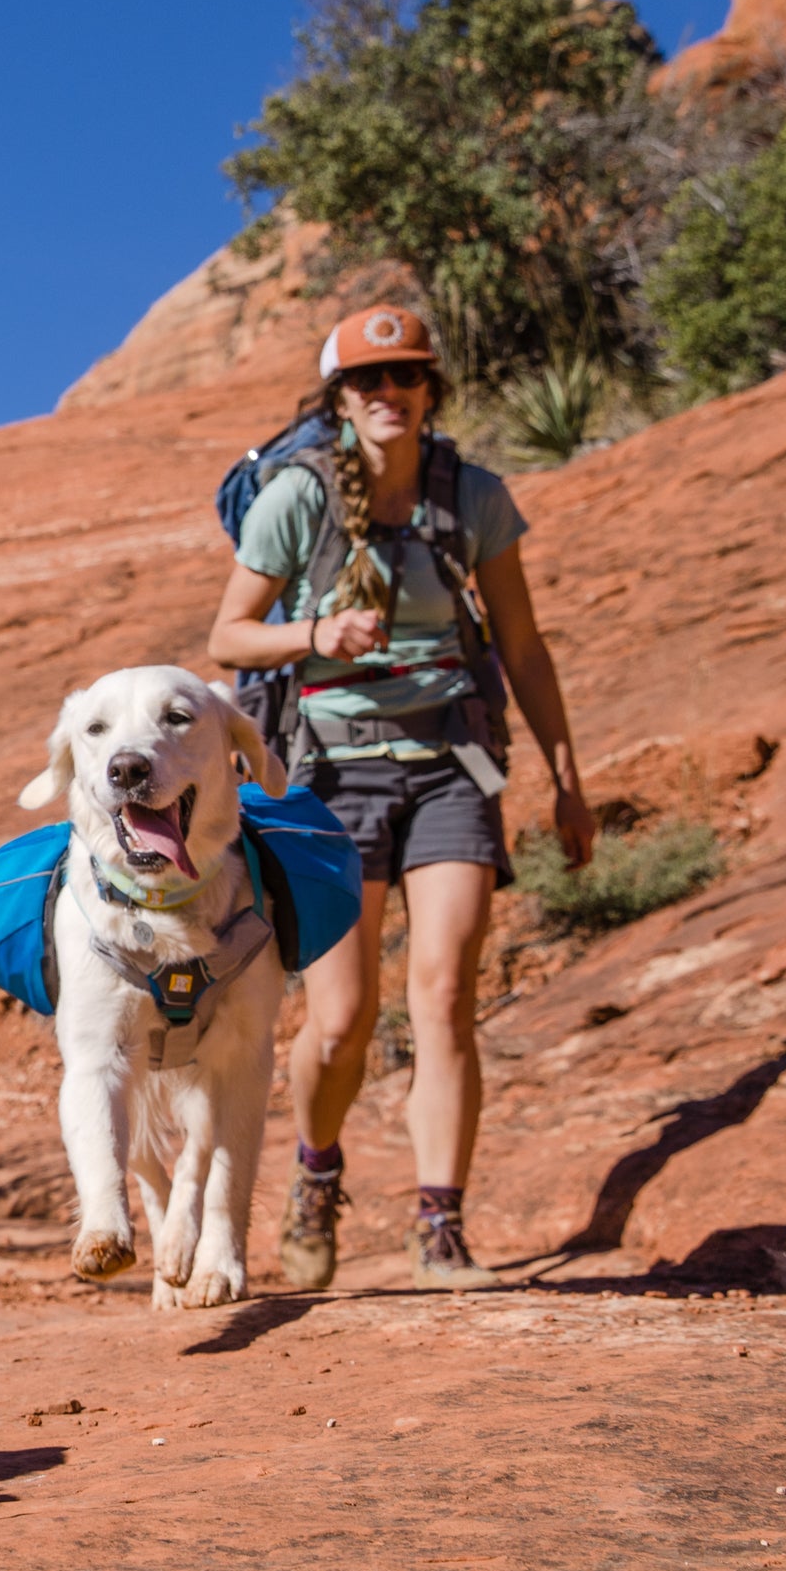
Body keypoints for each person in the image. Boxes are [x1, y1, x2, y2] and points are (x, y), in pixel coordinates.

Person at [207, 306, 594, 1291]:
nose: (390, 396)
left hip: (449, 765)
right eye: (368, 383)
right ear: (339, 400)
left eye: (407, 378)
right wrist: (315, 637)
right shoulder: (295, 498)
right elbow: (229, 638)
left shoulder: (472, 497)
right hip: (333, 774)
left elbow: (523, 643)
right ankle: (315, 1171)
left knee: (446, 992)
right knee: (338, 1023)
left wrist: (566, 778)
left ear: (431, 391)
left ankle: (438, 1226)